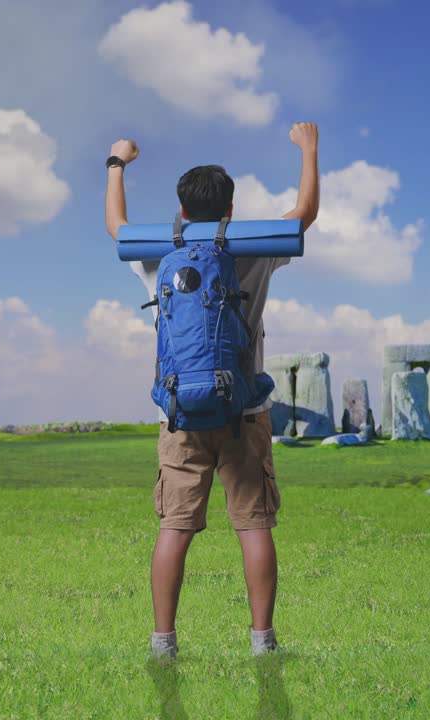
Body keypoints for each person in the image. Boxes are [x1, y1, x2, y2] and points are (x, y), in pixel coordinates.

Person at [104, 122, 320, 660]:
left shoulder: (159, 256)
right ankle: (262, 642)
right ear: (230, 212)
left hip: (179, 415)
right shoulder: (253, 250)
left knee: (174, 527)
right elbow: (304, 215)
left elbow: (116, 227)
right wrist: (308, 148)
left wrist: (117, 162)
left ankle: (163, 644)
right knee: (253, 525)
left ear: (180, 213)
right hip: (245, 411)